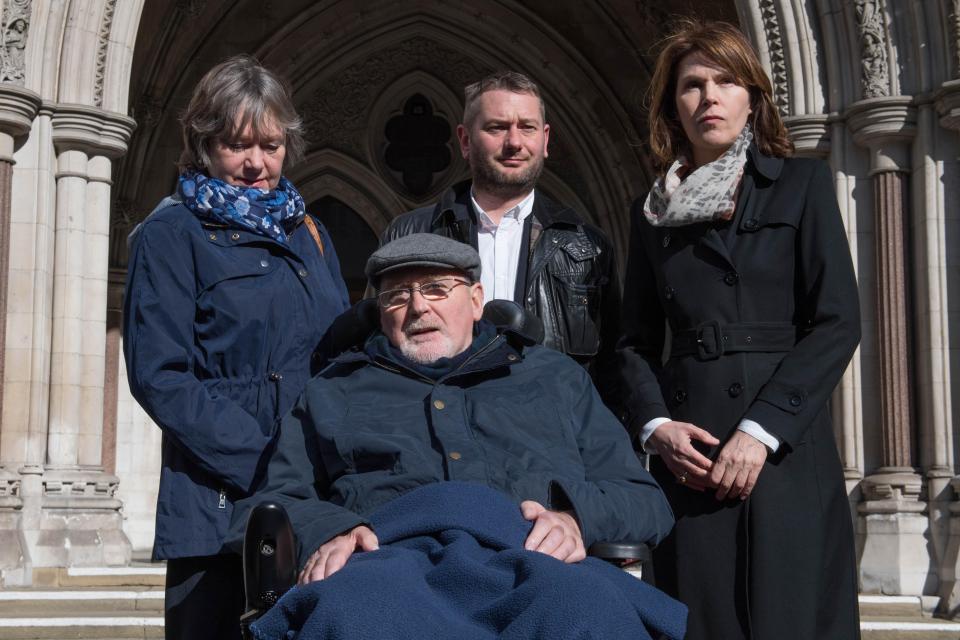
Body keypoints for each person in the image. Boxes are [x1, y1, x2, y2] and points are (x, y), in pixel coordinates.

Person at [235, 233, 682, 639]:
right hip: (386, 566)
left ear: (475, 300)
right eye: (397, 296)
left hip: (536, 562)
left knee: (590, 610)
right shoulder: (331, 390)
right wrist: (333, 530)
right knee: (348, 611)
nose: (417, 307)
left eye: (436, 289)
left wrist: (575, 518)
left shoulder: (554, 379)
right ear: (379, 314)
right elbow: (272, 503)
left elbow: (642, 499)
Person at [616, 20, 861, 640]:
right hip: (690, 457)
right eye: (692, 85)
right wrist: (655, 429)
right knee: (702, 621)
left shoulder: (802, 186)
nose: (709, 97)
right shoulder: (652, 215)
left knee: (795, 618)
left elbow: (837, 321)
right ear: (673, 106)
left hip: (785, 451)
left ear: (752, 97)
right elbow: (632, 344)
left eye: (726, 81)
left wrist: (762, 430)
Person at [123, 55, 350, 640]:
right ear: (202, 145)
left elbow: (339, 352)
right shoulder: (172, 233)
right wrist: (265, 458)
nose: (256, 164)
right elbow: (161, 376)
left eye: (271, 145)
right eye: (235, 145)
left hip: (309, 501)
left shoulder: (310, 232)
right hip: (217, 503)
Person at [381, 71, 620, 405]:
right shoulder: (409, 234)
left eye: (527, 127)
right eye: (497, 127)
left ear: (545, 140)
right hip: (440, 432)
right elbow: (380, 352)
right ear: (465, 141)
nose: (514, 142)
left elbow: (614, 366)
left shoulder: (586, 245)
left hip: (552, 436)